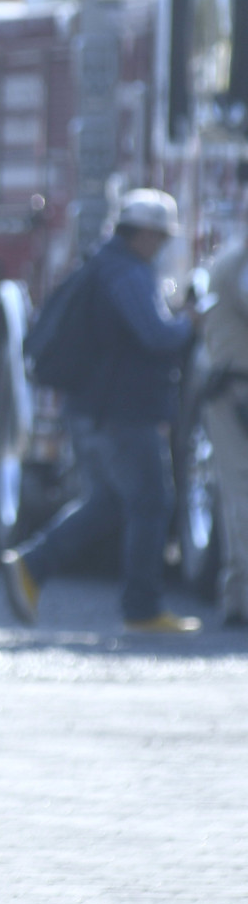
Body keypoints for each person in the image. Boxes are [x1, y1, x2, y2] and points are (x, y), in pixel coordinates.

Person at [3, 190, 200, 632]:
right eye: (162, 236)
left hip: (90, 410)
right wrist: (190, 322)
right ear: (147, 233)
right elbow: (157, 336)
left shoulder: (101, 264)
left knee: (108, 502)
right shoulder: (129, 272)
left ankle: (32, 565)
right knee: (151, 503)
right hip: (123, 412)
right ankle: (143, 608)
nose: (164, 244)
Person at [196, 237, 248, 628]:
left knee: (237, 493)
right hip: (237, 391)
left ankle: (236, 596)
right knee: (241, 495)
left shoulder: (229, 258)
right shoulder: (240, 262)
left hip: (230, 389)